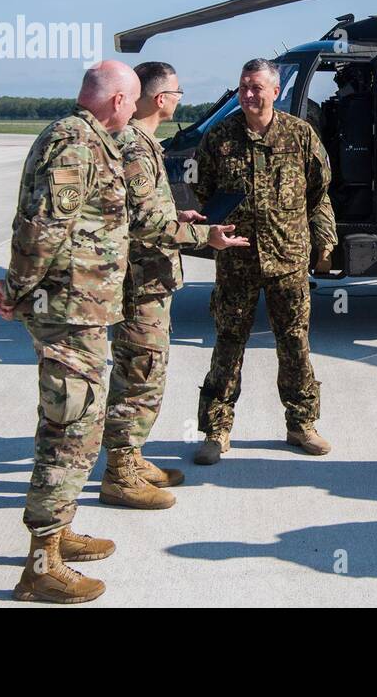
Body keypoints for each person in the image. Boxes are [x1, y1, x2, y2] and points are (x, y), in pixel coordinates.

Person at [0, 60, 139, 604]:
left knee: (77, 420)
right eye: (133, 101)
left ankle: (60, 530)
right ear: (118, 101)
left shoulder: (81, 137)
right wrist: (17, 289)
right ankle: (40, 564)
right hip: (69, 311)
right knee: (70, 427)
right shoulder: (77, 144)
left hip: (83, 309)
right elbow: (44, 226)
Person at [100, 61, 248, 509]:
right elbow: (147, 224)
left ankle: (131, 457)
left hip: (148, 280)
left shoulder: (143, 144)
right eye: (178, 93)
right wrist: (208, 237)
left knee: (145, 373)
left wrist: (177, 217)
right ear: (162, 99)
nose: (179, 100)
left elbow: (142, 214)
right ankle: (120, 472)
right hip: (140, 285)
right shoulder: (135, 147)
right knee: (139, 375)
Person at [192, 58, 337, 464]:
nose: (249, 95)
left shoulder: (301, 136)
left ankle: (301, 424)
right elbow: (203, 193)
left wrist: (323, 241)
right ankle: (216, 430)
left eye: (257, 87)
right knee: (228, 342)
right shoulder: (219, 138)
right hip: (237, 260)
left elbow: (319, 193)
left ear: (276, 91)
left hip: (288, 260)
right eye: (243, 88)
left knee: (294, 344)